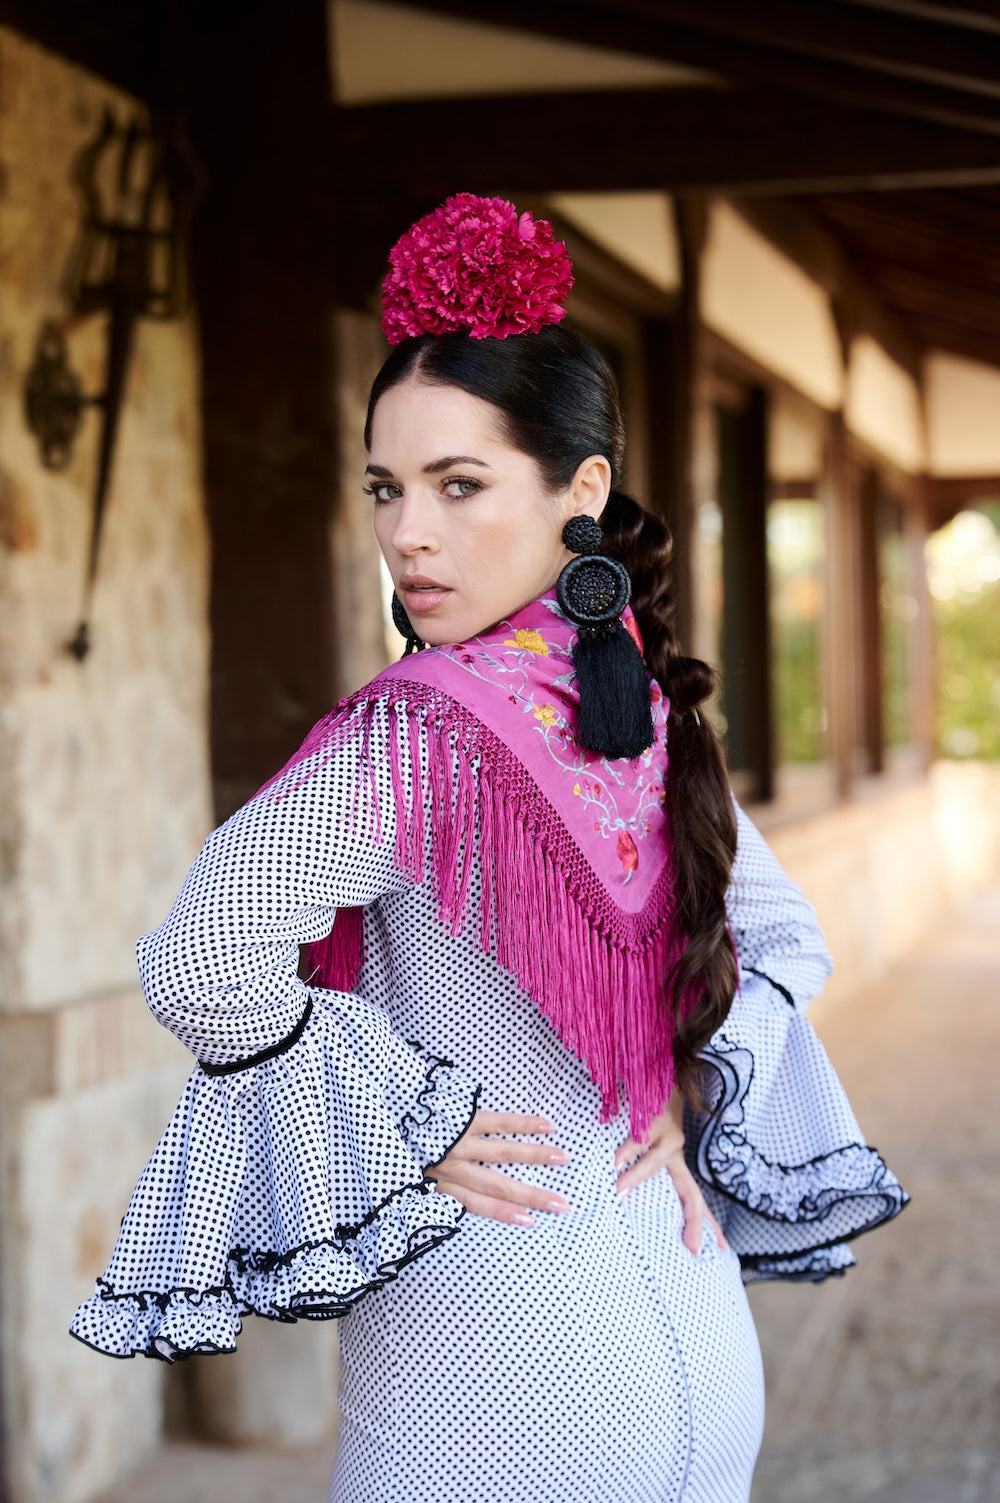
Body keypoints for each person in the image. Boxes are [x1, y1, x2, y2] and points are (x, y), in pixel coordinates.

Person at [72, 195, 907, 1503]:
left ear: (582, 492)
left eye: (460, 487)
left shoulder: (412, 739)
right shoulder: (642, 710)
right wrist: (684, 1097)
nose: (409, 532)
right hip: (683, 1325)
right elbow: (789, 944)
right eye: (389, 488)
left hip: (494, 1367)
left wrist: (414, 1122)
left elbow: (193, 961)